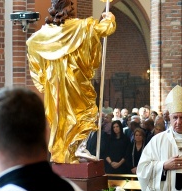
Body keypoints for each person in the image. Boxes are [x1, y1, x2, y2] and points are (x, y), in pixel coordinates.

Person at [27, 0, 116, 164]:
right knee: (85, 112)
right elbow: (104, 29)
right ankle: (77, 147)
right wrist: (109, 18)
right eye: (71, 7)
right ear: (68, 9)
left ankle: (65, 151)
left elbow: (31, 42)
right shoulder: (81, 26)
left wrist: (44, 75)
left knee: (60, 118)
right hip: (75, 79)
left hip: (55, 84)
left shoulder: (45, 33)